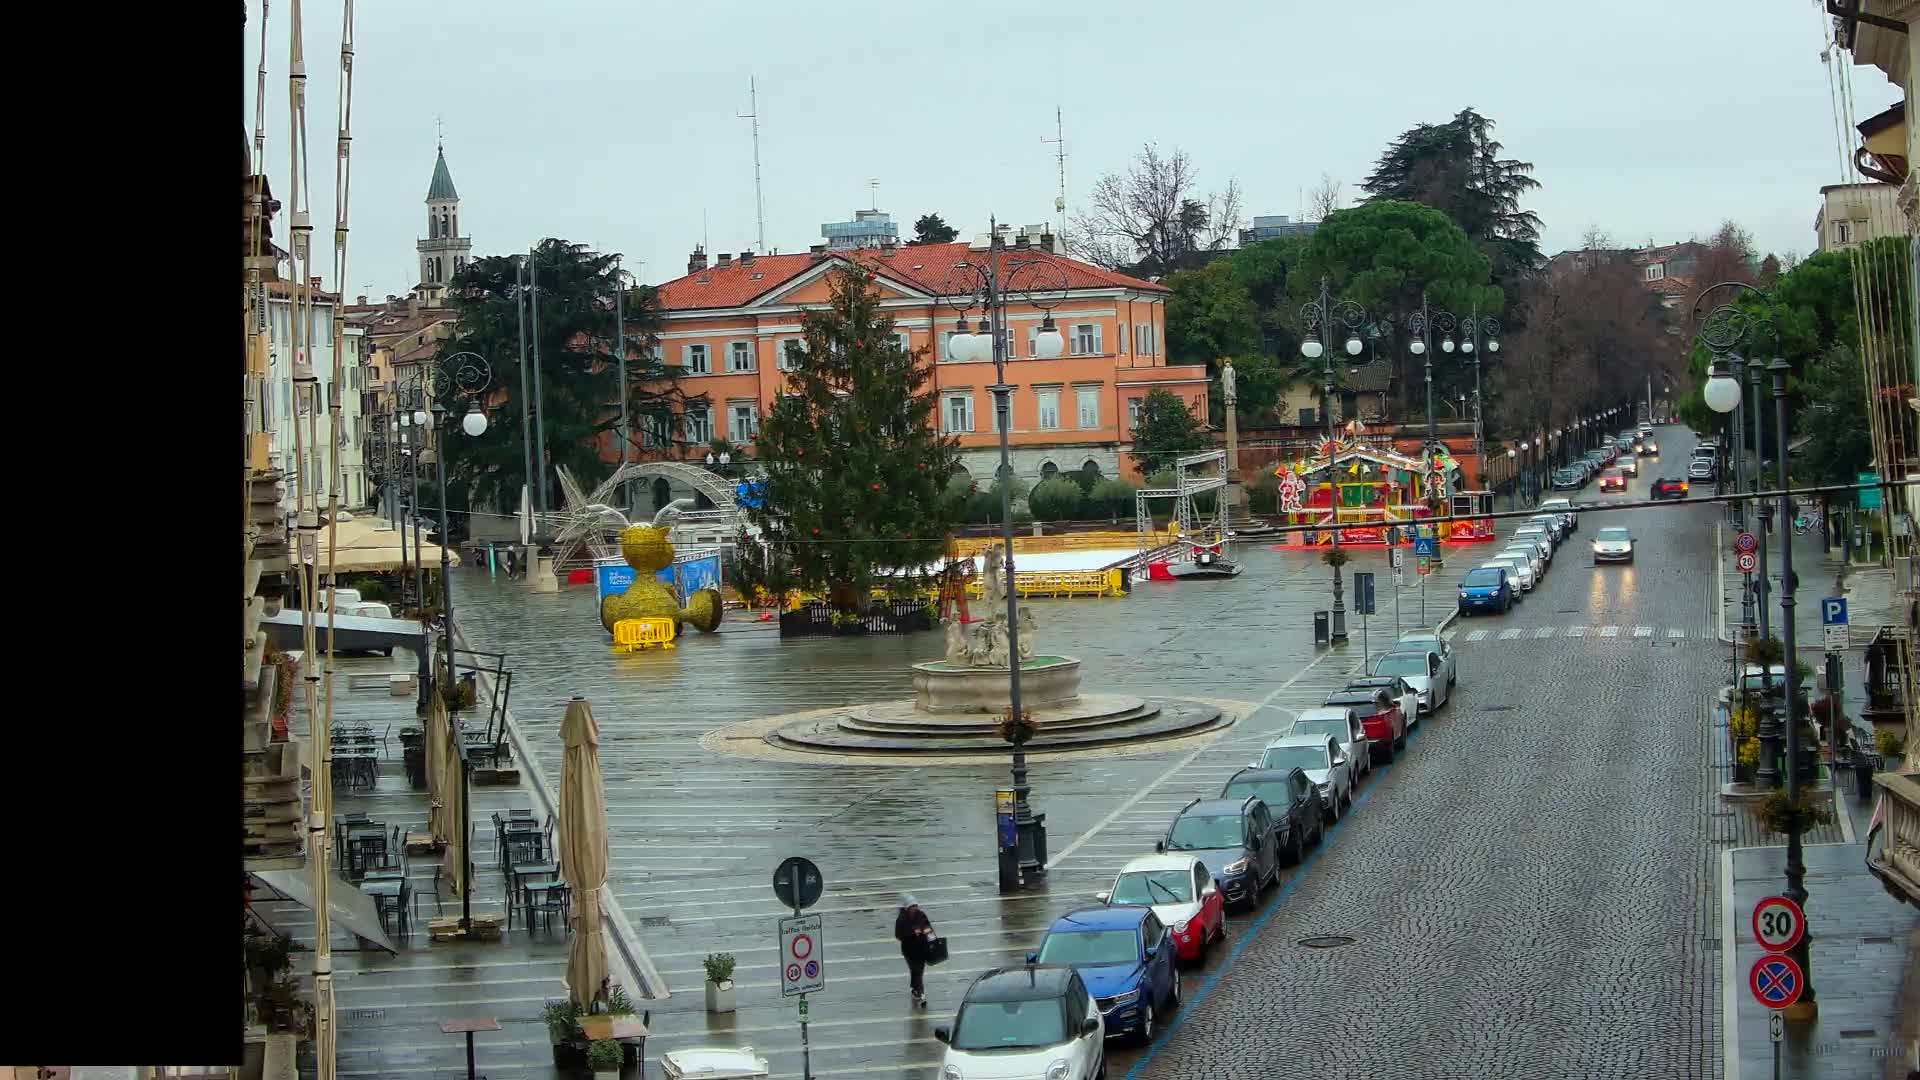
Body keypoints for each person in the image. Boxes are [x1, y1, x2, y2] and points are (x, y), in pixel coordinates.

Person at [894, 895, 934, 1008]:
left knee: (918, 972)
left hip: (922, 949)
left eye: (916, 905)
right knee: (916, 971)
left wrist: (930, 937)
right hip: (909, 951)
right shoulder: (901, 919)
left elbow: (928, 927)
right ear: (907, 907)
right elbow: (898, 935)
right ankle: (921, 995)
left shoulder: (921, 915)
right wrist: (912, 933)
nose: (915, 908)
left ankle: (915, 989)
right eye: (912, 906)